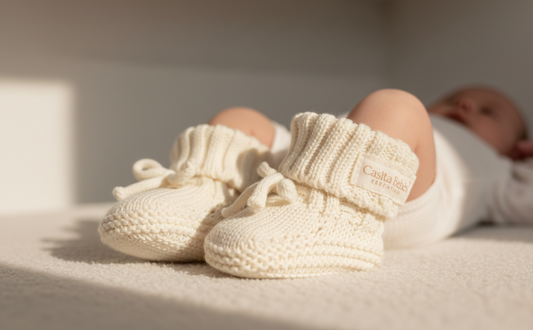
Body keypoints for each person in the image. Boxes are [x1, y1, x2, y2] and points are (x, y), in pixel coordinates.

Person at [99, 86, 533, 278]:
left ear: (516, 147)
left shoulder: (504, 170)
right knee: (241, 118)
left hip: (400, 198)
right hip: (305, 169)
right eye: (456, 98)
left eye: (489, 111)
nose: (467, 103)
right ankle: (207, 199)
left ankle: (334, 217)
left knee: (396, 103)